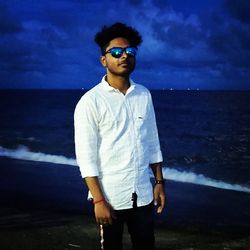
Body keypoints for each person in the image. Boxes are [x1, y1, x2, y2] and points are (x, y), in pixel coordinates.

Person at [74, 22, 165, 250]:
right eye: (116, 52)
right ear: (104, 60)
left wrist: (159, 182)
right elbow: (86, 157)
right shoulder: (90, 102)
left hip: (143, 194)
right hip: (110, 196)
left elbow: (152, 141)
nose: (124, 56)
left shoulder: (143, 95)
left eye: (130, 52)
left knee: (146, 245)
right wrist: (99, 200)